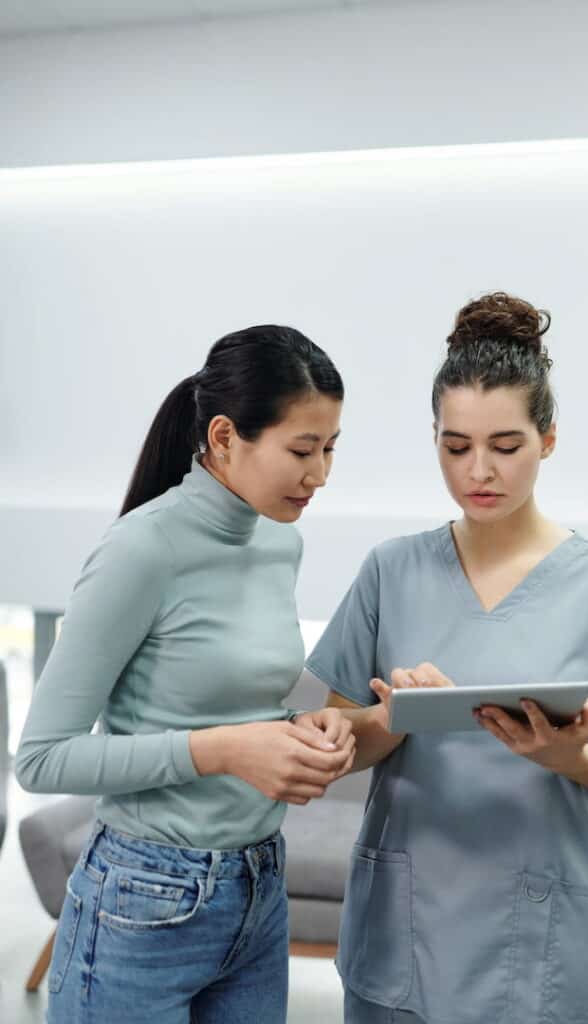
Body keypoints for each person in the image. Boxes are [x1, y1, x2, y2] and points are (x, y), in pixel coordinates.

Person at [305, 293, 588, 1024]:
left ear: (547, 439)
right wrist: (390, 719)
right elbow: (337, 745)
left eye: (504, 446)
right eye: (454, 447)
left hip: (546, 940)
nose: (477, 471)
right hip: (405, 933)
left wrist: (567, 755)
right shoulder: (390, 571)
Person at [16, 324, 355, 1024]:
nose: (319, 474)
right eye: (301, 450)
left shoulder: (278, 542)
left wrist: (301, 730)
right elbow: (42, 760)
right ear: (226, 437)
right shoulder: (141, 549)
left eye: (329, 449)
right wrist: (226, 750)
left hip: (258, 889)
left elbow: (230, 701)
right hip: (143, 897)